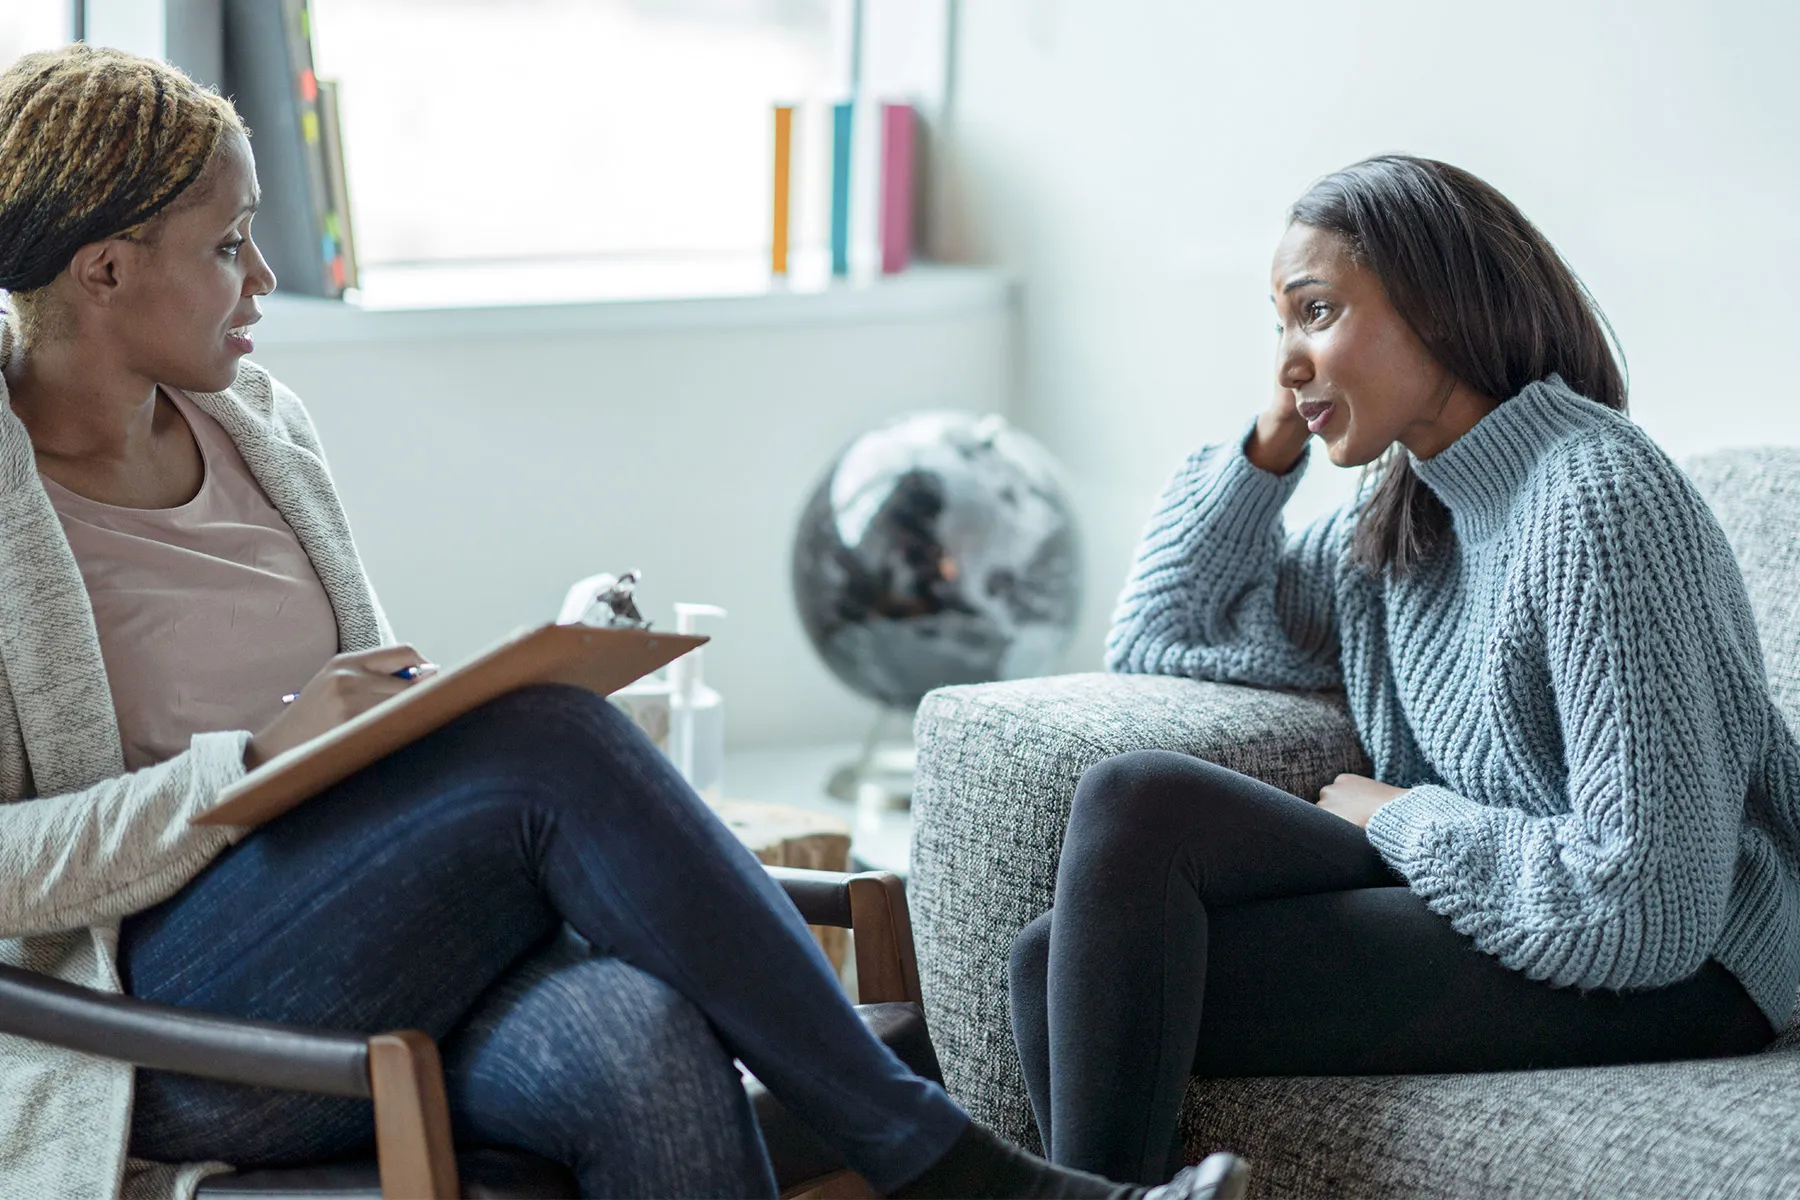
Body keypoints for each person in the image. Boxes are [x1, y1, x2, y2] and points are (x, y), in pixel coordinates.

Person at [0, 45, 1248, 1200]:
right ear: (104, 267)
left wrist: (431, 703)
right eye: (229, 246)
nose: (263, 278)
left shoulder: (256, 425)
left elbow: (344, 702)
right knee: (542, 742)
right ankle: (958, 1172)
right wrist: (257, 763)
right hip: (156, 1021)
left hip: (378, 942)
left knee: (639, 1044)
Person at [1008, 153, 1800, 1185]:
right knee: (1078, 907)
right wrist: (1266, 449)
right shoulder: (1400, 525)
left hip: (1688, 965)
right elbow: (1164, 629)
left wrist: (1398, 817)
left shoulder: (1599, 496)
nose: (1290, 359)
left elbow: (1643, 908)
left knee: (1098, 909)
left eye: (1319, 311)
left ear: (1439, 303)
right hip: (1505, 894)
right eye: (1280, 325)